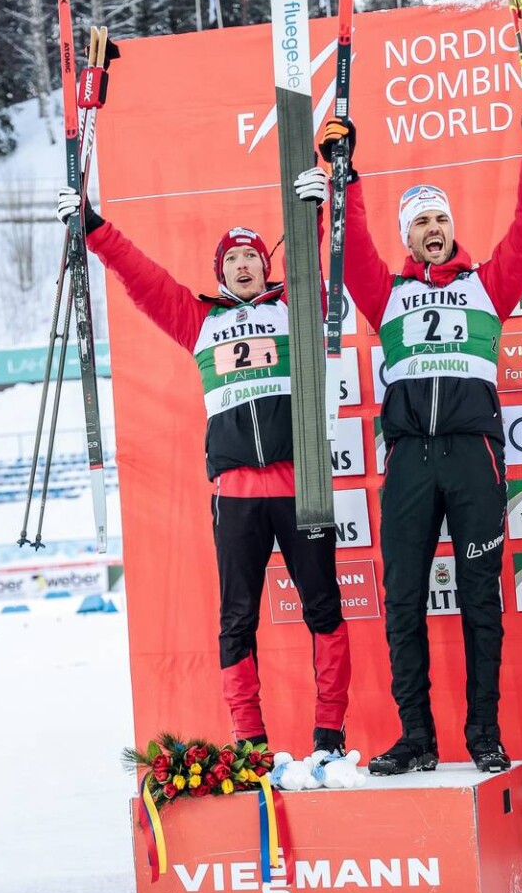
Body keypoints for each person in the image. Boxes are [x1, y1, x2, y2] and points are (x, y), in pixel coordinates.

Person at [56, 171, 351, 756]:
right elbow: (143, 278)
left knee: (325, 607)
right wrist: (92, 227)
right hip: (236, 493)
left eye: (251, 256)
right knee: (237, 617)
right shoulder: (200, 320)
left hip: (301, 485)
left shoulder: (296, 309)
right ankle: (249, 740)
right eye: (233, 259)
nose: (244, 265)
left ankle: (330, 734)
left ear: (268, 268)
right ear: (221, 272)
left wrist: (316, 210)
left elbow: (312, 259)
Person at [319, 99, 522, 774]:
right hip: (409, 462)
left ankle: (483, 732)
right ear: (408, 234)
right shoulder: (385, 292)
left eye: (441, 218)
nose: (433, 228)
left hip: (472, 457)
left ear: (453, 229)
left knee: (481, 599)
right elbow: (350, 245)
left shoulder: (487, 285)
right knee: (403, 602)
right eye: (421, 220)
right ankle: (416, 735)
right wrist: (346, 173)